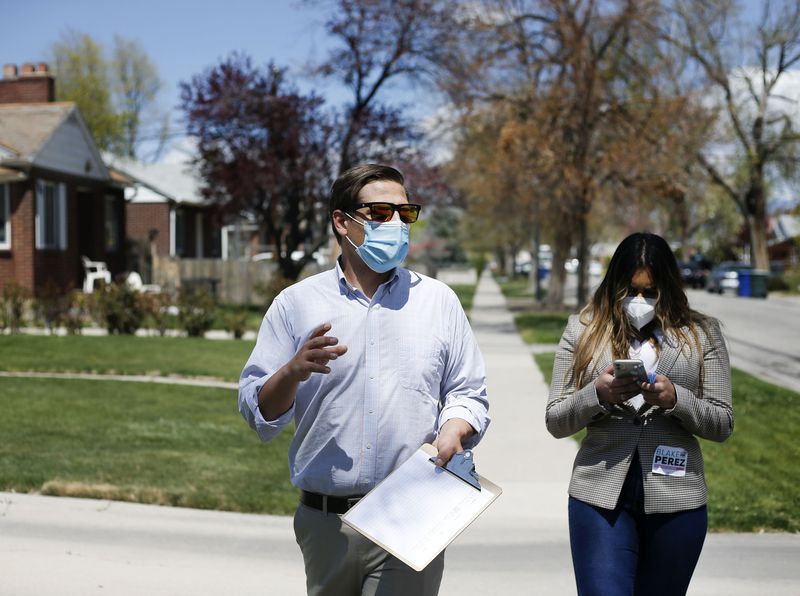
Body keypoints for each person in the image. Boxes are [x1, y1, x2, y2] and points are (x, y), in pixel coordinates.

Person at [238, 163, 490, 596]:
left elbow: (468, 392)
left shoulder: (438, 302)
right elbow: (258, 411)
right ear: (342, 221)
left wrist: (455, 428)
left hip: (412, 511)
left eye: (404, 213)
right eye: (378, 212)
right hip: (326, 523)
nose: (395, 223)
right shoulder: (296, 304)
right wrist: (292, 371)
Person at [546, 232, 733, 596]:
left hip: (676, 498)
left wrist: (675, 398)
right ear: (615, 283)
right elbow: (556, 419)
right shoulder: (582, 330)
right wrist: (596, 394)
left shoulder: (702, 334)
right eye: (632, 290)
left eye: (651, 292)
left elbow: (722, 421)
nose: (640, 301)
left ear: (670, 286)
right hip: (599, 495)